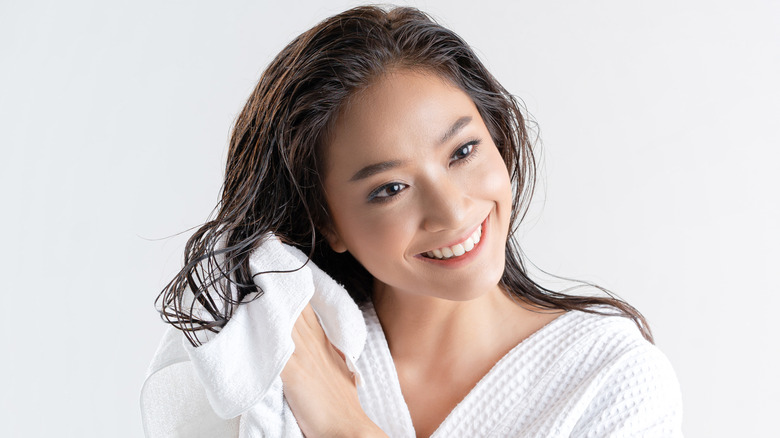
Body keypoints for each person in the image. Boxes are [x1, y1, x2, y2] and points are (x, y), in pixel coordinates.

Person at [145, 5, 683, 437]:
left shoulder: (609, 380)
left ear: (497, 135)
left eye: (464, 151)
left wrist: (341, 424)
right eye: (390, 189)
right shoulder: (269, 358)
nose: (451, 210)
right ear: (325, 219)